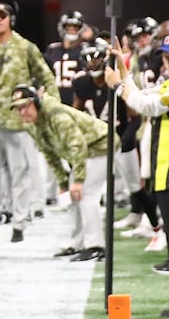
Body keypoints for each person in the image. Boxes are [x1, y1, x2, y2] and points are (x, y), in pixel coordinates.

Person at [0, 2, 59, 243]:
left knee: (20, 172)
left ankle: (19, 221)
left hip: (18, 121)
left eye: (2, 16)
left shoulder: (25, 47)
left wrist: (46, 103)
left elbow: (46, 75)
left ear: (10, 19)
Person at [72, 37, 161, 252]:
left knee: (134, 186)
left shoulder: (115, 81)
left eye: (96, 60)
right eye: (89, 60)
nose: (93, 64)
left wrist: (124, 140)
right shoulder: (82, 83)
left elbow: (137, 111)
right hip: (97, 144)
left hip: (121, 139)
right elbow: (76, 114)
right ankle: (85, 236)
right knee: (88, 189)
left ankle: (156, 227)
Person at [11, 84, 118, 261]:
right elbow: (49, 153)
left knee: (86, 195)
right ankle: (78, 243)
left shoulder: (56, 115)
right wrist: (63, 183)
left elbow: (78, 145)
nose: (22, 113)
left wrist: (79, 179)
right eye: (18, 109)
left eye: (25, 107)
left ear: (36, 103)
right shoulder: (32, 124)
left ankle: (95, 246)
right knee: (73, 197)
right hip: (84, 151)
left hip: (101, 145)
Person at [105, 36, 169, 285]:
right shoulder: (165, 85)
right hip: (163, 169)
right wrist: (122, 64)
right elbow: (141, 93)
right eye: (165, 57)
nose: (166, 62)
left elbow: (147, 105)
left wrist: (118, 87)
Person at [43, 11, 86, 206]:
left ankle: (76, 186)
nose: (72, 31)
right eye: (69, 27)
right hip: (54, 106)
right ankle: (52, 191)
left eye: (75, 27)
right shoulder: (52, 50)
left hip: (75, 105)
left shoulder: (84, 50)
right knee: (50, 149)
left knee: (74, 149)